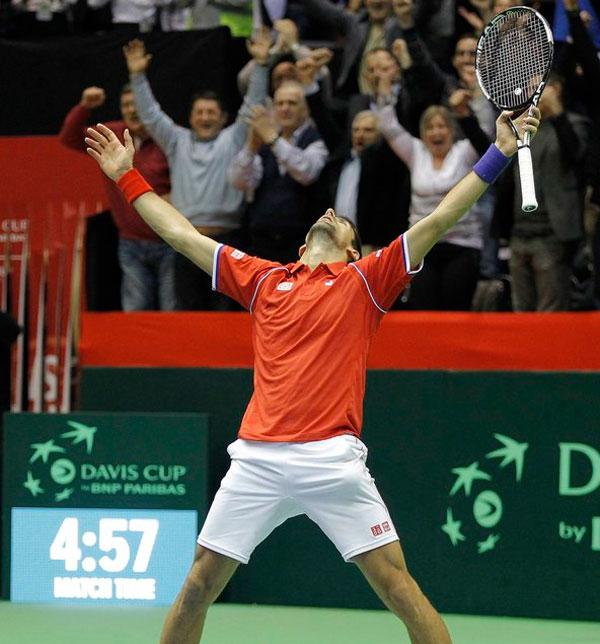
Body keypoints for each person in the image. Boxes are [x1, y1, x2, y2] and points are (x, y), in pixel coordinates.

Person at [83, 105, 540, 644]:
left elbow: (440, 218)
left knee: (397, 587)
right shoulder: (262, 280)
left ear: (353, 249)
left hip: (332, 462)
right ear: (303, 247)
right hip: (257, 458)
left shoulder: (367, 281)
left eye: (343, 219)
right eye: (324, 213)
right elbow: (182, 235)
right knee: (198, 584)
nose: (329, 210)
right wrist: (126, 177)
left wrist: (500, 153)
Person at [123, 35, 270, 309]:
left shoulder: (233, 139)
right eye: (200, 112)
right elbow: (151, 115)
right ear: (190, 117)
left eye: (211, 112)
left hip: (227, 243)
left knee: (224, 317)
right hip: (185, 241)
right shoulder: (175, 141)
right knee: (188, 318)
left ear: (224, 118)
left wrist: (262, 65)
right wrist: (137, 76)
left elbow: (253, 106)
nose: (205, 117)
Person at [59, 84, 174, 311]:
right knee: (135, 311)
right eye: (126, 105)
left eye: (137, 104)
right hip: (130, 243)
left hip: (169, 241)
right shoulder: (113, 137)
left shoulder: (167, 137)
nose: (132, 110)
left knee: (171, 312)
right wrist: (84, 107)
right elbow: (70, 138)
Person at [228, 80, 328, 263]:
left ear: (305, 109)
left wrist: (273, 139)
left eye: (292, 103)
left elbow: (306, 172)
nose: (285, 109)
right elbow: (238, 181)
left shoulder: (316, 140)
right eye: (280, 104)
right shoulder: (266, 144)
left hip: (302, 244)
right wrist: (251, 147)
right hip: (262, 242)